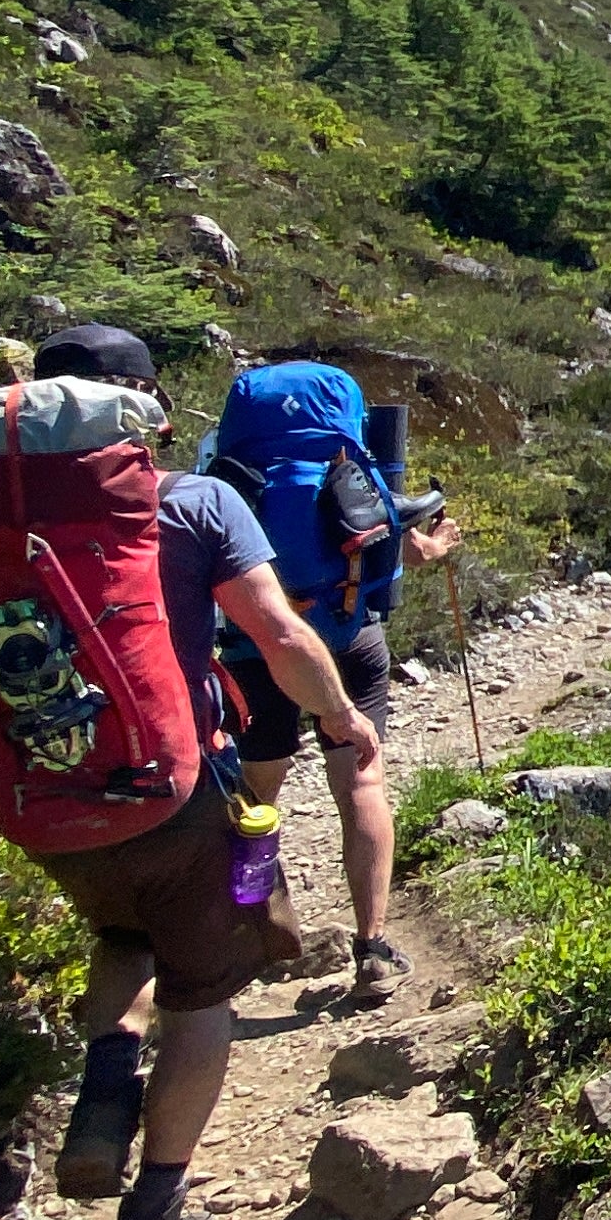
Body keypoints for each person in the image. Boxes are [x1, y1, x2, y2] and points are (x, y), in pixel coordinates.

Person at [0, 323, 384, 1220]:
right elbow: (279, 637)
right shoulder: (196, 502)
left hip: (39, 807)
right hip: (173, 794)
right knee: (200, 995)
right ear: (142, 410)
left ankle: (107, 1088)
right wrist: (339, 715)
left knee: (122, 932)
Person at [201, 362, 463, 1010]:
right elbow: (396, 549)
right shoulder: (351, 469)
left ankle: (256, 927)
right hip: (349, 641)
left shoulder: (222, 478)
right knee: (361, 783)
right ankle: (372, 947)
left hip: (254, 650)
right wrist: (438, 546)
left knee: (254, 797)